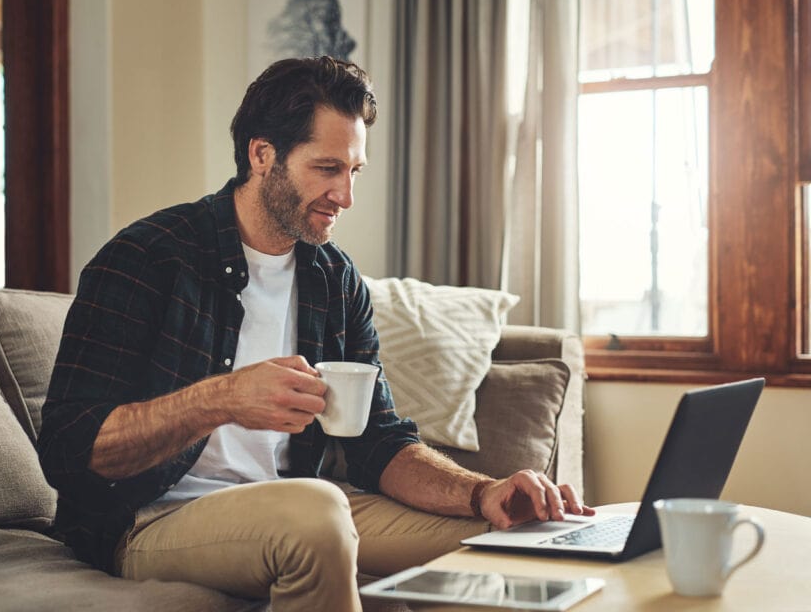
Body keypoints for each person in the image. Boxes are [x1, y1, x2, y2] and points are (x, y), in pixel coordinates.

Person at [38, 56, 593, 611]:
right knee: (316, 511)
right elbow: (69, 448)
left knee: (512, 540)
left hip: (303, 504)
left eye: (354, 171)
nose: (345, 196)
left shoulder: (334, 278)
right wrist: (223, 398)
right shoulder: (147, 257)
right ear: (262, 155)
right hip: (150, 518)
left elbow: (379, 441)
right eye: (327, 168)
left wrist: (482, 492)